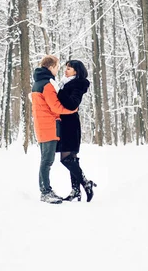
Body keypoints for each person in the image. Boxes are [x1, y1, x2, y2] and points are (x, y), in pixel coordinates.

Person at [31, 55, 77, 204]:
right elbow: (55, 106)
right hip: (49, 126)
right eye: (57, 67)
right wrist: (72, 110)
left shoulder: (37, 83)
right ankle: (45, 192)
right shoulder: (47, 85)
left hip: (41, 125)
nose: (58, 70)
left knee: (45, 160)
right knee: (47, 161)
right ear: (50, 67)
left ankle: (46, 190)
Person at [55, 60, 97, 202]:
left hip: (70, 125)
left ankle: (86, 183)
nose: (65, 70)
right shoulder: (65, 82)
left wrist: (59, 91)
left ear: (76, 71)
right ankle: (76, 191)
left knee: (66, 159)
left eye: (69, 68)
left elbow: (73, 103)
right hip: (65, 124)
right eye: (66, 68)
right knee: (71, 159)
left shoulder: (78, 84)